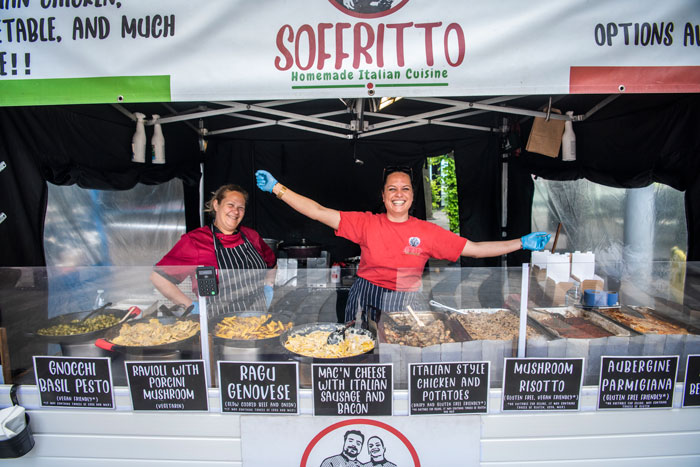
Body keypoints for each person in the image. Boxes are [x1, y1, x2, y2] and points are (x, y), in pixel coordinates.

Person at [255, 167, 550, 324]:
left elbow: (473, 248)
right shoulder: (366, 223)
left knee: (401, 354)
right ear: (383, 197)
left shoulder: (427, 231)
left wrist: (519, 242)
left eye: (405, 188)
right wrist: (279, 189)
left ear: (412, 196)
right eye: (392, 189)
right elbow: (318, 211)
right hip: (364, 295)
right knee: (359, 350)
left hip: (405, 300)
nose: (399, 194)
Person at [150, 184, 276, 317]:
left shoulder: (252, 236)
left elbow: (272, 264)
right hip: (217, 326)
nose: (236, 211)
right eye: (230, 205)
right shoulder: (195, 241)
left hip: (259, 323)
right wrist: (191, 306)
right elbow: (158, 277)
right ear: (216, 205)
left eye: (241, 208)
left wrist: (268, 287)